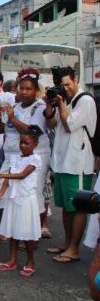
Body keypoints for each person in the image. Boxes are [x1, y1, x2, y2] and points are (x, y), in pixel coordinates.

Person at [44, 67, 97, 263]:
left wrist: (60, 103)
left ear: (75, 81)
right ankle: (67, 243)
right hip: (62, 162)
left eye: (67, 84)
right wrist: (50, 104)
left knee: (78, 206)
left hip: (78, 163)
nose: (65, 88)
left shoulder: (85, 101)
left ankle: (74, 249)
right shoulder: (64, 101)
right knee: (67, 207)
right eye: (62, 85)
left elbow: (69, 124)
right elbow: (52, 124)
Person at [0, 73, 51, 241]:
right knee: (2, 192)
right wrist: (1, 116)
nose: (24, 92)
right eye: (22, 88)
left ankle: (32, 236)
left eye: (29, 89)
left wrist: (12, 118)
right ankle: (4, 231)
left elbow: (33, 133)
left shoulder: (39, 107)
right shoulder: (16, 107)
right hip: (11, 156)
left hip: (33, 157)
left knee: (31, 196)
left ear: (36, 91)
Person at [0, 126, 43, 277]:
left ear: (35, 144)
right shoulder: (15, 158)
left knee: (26, 232)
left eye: (26, 143)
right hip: (13, 199)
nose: (22, 145)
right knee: (13, 231)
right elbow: (9, 179)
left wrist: (1, 175)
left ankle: (30, 261)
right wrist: (0, 193)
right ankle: (12, 260)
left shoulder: (35, 159)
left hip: (26, 199)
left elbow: (21, 175)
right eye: (21, 142)